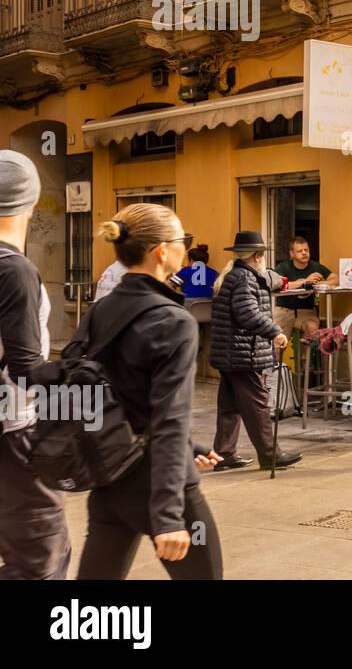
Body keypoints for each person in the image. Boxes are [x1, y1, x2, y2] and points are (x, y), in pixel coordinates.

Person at [75, 205, 224, 579]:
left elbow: (112, 396)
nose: (185, 249)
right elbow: (169, 419)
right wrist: (169, 516)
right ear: (161, 250)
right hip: (160, 483)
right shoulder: (174, 321)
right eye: (182, 241)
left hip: (109, 477)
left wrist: (192, 449)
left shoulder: (102, 309)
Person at [0, 150, 72, 580]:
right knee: (40, 559)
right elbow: (26, 367)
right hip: (13, 432)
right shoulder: (14, 270)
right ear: (30, 202)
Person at [210, 231, 301, 470]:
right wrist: (275, 332)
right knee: (258, 405)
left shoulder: (236, 274)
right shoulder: (244, 278)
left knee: (230, 406)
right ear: (258, 256)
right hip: (243, 353)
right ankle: (271, 456)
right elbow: (247, 313)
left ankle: (223, 455)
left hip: (230, 352)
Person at [272, 237, 336, 340]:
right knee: (277, 342)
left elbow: (336, 279)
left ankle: (306, 356)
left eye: (306, 250)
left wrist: (317, 284)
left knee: (312, 327)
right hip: (284, 311)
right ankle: (277, 355)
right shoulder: (283, 267)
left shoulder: (315, 266)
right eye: (300, 251)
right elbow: (276, 284)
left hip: (306, 311)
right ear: (292, 254)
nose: (304, 253)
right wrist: (304, 281)